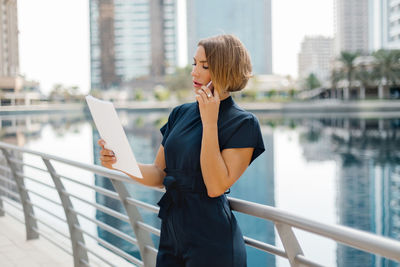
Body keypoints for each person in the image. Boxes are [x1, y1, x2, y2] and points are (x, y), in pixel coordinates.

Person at [98, 34, 265, 267]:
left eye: (204, 66)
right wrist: (121, 163)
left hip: (213, 242)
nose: (194, 72)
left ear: (225, 69)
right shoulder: (180, 113)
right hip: (171, 235)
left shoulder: (243, 123)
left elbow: (216, 186)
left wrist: (209, 122)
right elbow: (159, 173)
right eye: (194, 64)